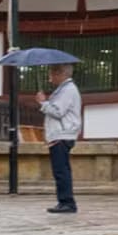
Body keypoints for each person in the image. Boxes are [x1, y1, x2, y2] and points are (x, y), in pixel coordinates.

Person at [37, 63, 82, 214]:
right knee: (61, 170)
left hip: (62, 134)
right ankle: (64, 200)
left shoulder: (67, 90)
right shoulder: (64, 90)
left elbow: (57, 112)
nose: (50, 79)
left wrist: (43, 102)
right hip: (61, 134)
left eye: (51, 75)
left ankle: (67, 202)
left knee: (61, 170)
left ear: (60, 73)